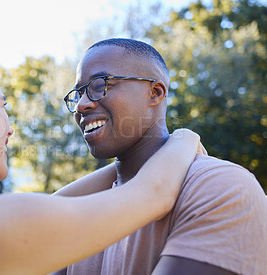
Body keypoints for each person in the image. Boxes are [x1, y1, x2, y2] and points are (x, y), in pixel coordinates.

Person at [0, 40, 203, 275]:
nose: (9, 129)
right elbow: (152, 194)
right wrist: (185, 137)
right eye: (2, 106)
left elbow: (54, 203)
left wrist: (126, 159)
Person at [55, 38, 267, 275]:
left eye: (98, 85)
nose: (81, 105)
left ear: (155, 93)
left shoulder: (222, 188)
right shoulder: (78, 214)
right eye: (78, 93)